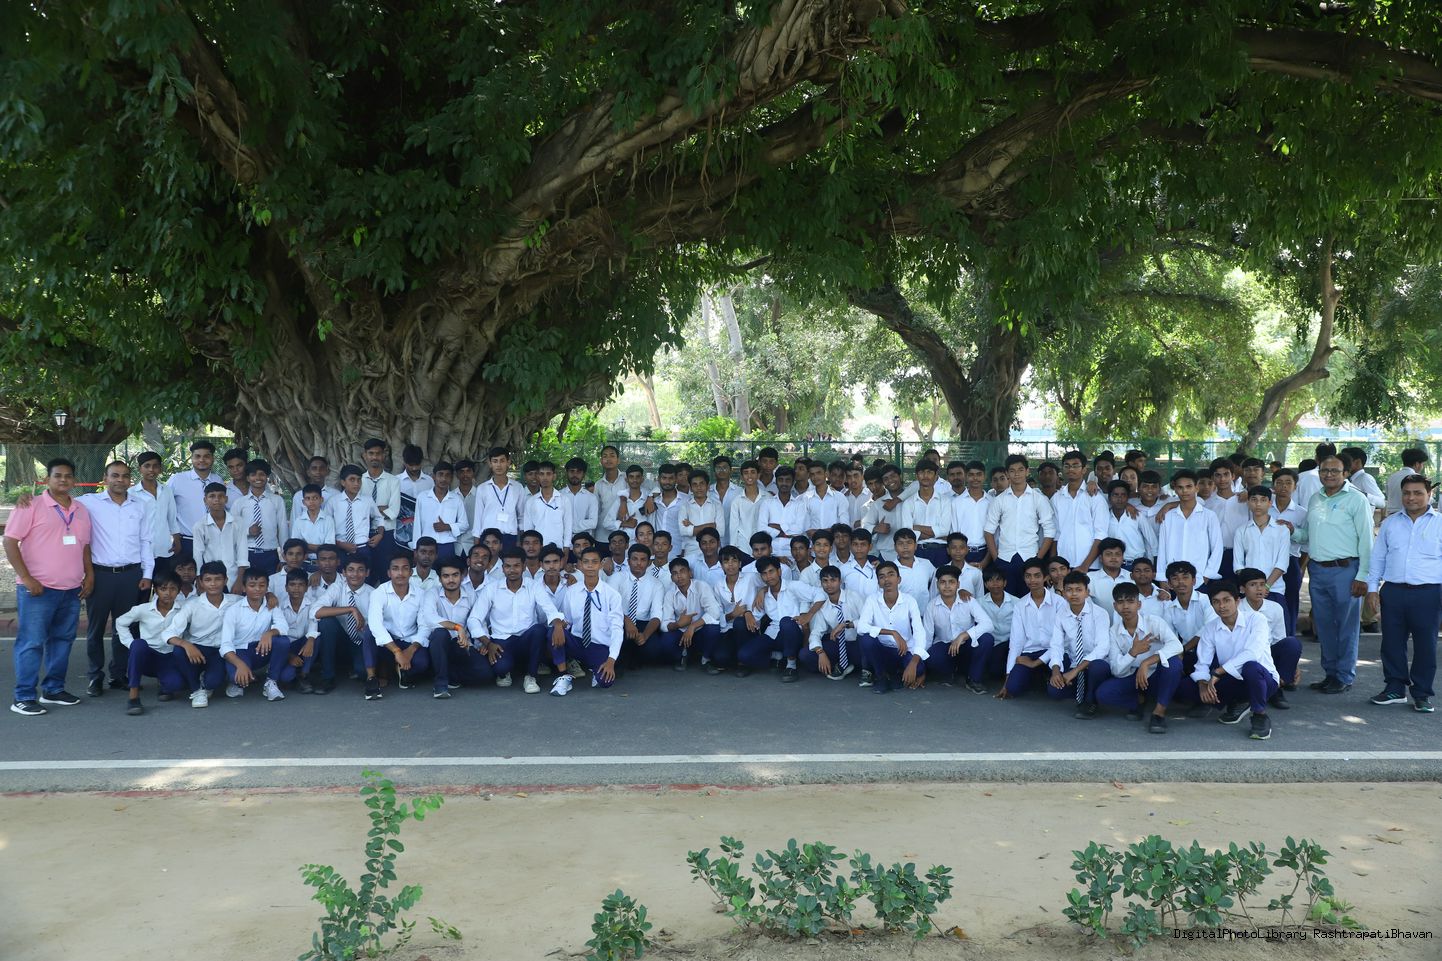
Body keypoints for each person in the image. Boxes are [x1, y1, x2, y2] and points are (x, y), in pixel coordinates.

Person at [6, 458, 94, 716]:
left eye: (68, 476)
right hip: (38, 590)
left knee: (63, 640)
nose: (63, 480)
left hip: (71, 589)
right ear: (47, 479)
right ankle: (23, 696)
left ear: (74, 480)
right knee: (31, 642)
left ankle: (54, 689)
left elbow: (84, 547)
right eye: (58, 475)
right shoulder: (30, 505)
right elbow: (10, 542)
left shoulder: (81, 509)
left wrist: (89, 575)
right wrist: (26, 578)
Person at [1294, 455, 1373, 694]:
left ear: (1346, 473)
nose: (1328, 474)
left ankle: (1344, 676)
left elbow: (1367, 540)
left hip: (1346, 571)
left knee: (1346, 627)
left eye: (1334, 470)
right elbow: (1307, 535)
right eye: (1324, 470)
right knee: (1324, 626)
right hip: (1318, 571)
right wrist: (1289, 530)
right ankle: (1330, 673)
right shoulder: (1315, 498)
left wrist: (1363, 576)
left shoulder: (1357, 499)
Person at [75, 460, 154, 696]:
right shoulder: (89, 502)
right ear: (105, 478)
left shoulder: (140, 505)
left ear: (130, 479)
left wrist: (147, 574)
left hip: (131, 575)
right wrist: (28, 500)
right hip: (100, 576)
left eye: (125, 476)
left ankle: (119, 675)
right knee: (96, 629)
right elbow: (59, 501)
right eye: (115, 475)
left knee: (124, 627)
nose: (120, 480)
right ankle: (95, 677)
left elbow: (146, 541)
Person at [1365, 474, 1439, 713]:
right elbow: (1378, 558)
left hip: (1429, 593)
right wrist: (1372, 589)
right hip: (1394, 591)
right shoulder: (1390, 523)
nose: (1411, 498)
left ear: (1429, 494)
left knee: (1426, 645)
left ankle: (1422, 693)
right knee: (1391, 643)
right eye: (1407, 493)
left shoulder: (1439, 523)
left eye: (1418, 493)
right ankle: (1395, 688)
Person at [1085, 583, 1184, 733]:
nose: (1125, 607)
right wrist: (1133, 652)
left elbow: (1177, 646)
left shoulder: (1153, 622)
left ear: (1139, 604)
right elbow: (1116, 670)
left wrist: (1146, 662)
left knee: (1174, 663)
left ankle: (1159, 713)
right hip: (1133, 677)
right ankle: (1138, 700)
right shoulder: (1113, 631)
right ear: (1115, 606)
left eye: (1130, 601)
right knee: (1103, 694)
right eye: (1120, 602)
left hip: (1155, 674)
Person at [1191, 580, 1280, 740]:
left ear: (1237, 601)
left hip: (1264, 680)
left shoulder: (1257, 619)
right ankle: (1240, 701)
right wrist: (1202, 684)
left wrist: (1218, 672)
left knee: (1251, 667)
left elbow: (1252, 653)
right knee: (1187, 690)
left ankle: (1260, 715)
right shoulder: (1210, 628)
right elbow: (1202, 662)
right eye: (1216, 602)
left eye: (1227, 600)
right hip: (1233, 679)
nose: (1222, 606)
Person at [365, 554, 445, 699]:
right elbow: (375, 624)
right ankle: (371, 679)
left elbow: (425, 625)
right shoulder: (379, 593)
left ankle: (398, 669)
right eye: (395, 569)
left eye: (405, 568)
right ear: (389, 573)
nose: (400, 573)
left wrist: (411, 650)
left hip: (409, 640)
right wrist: (396, 651)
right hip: (387, 643)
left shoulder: (421, 594)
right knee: (369, 631)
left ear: (411, 572)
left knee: (421, 664)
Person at [548, 547, 622, 695]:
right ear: (580, 565)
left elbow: (617, 629)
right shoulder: (572, 591)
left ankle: (595, 670)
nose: (590, 566)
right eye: (586, 562)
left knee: (605, 682)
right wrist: (558, 624)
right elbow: (568, 621)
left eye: (594, 562)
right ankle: (564, 676)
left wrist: (611, 660)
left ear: (600, 564)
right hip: (577, 642)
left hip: (599, 646)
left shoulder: (612, 595)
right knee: (553, 631)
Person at [115, 571, 190, 715]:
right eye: (163, 589)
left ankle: (164, 685)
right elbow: (120, 622)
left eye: (173, 589)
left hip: (170, 657)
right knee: (138, 645)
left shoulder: (184, 610)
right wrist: (130, 644)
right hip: (147, 657)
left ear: (179, 591)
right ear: (155, 590)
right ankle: (133, 696)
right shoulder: (143, 609)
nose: (168, 593)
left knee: (176, 685)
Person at [164, 561, 236, 708]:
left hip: (220, 650)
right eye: (208, 580)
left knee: (213, 682)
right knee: (179, 650)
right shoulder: (192, 605)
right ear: (201, 582)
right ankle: (196, 689)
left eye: (218, 579)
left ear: (226, 580)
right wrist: (187, 645)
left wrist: (269, 594)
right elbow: (168, 633)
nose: (213, 584)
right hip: (197, 649)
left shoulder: (235, 601)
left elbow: (258, 599)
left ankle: (206, 681)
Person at [984, 455, 1056, 596]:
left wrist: (1038, 558)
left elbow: (1050, 531)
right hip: (1004, 558)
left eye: (1020, 470)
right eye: (1012, 470)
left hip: (1031, 557)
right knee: (1007, 601)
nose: (1016, 474)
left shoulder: (1039, 499)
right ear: (1007, 473)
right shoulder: (999, 500)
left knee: (1030, 599)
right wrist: (996, 558)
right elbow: (988, 531)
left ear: (1027, 471)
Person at [998, 558, 1067, 699]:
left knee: (1056, 692)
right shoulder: (1020, 605)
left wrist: (1036, 662)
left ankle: (1040, 672)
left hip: (1054, 652)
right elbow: (1016, 642)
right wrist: (1007, 679)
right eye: (1028, 576)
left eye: (1037, 575)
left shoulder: (1059, 602)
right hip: (1030, 653)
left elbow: (1062, 641)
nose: (1032, 580)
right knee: (1012, 688)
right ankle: (1037, 674)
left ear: (1045, 577)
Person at [219, 570, 292, 702]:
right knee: (236, 677)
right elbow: (225, 645)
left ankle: (271, 681)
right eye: (252, 585)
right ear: (244, 588)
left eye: (262, 585)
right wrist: (240, 665)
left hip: (261, 649)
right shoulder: (233, 610)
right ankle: (236, 682)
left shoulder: (271, 605)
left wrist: (269, 633)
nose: (257, 589)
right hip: (241, 651)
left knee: (283, 641)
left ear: (267, 588)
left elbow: (283, 626)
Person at [1045, 572, 1111, 716]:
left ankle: (1090, 701)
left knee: (1097, 667)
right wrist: (1056, 671)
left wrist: (1075, 671)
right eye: (1069, 590)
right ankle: (1085, 690)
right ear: (1063, 593)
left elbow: (1103, 648)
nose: (1074, 594)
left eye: (1079, 590)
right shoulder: (1061, 614)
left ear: (1087, 592)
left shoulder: (1100, 613)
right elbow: (1056, 645)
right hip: (1075, 663)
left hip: (1096, 665)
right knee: (1054, 690)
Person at [856, 561, 928, 693]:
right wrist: (892, 632)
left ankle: (896, 675)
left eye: (891, 575)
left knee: (918, 668)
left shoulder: (909, 601)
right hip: (881, 650)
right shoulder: (872, 600)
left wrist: (914, 662)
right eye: (882, 576)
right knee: (865, 639)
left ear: (899, 579)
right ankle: (881, 677)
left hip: (902, 651)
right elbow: (861, 627)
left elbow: (919, 631)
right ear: (878, 582)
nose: (887, 579)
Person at [751, 556, 823, 682]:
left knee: (786, 622)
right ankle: (778, 656)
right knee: (745, 655)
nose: (768, 576)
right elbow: (755, 617)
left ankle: (791, 665)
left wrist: (808, 615)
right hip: (774, 634)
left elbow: (820, 594)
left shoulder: (793, 586)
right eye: (764, 574)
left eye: (771, 571)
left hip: (794, 633)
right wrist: (747, 613)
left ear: (779, 571)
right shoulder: (764, 594)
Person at [1236, 567, 1301, 707]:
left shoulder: (1275, 607)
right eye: (1253, 585)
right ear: (1242, 589)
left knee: (1292, 643)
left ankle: (1276, 688)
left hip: (1268, 652)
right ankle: (1251, 693)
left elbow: (1280, 639)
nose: (1259, 589)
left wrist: (1292, 664)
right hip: (1245, 653)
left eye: (1262, 584)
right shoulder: (1237, 609)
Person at [310, 555, 374, 693]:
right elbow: (315, 611)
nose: (355, 574)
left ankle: (353, 667)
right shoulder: (337, 587)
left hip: (361, 642)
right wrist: (351, 609)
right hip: (340, 640)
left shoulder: (373, 594)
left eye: (360, 570)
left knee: (363, 672)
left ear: (367, 573)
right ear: (344, 573)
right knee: (326, 622)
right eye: (351, 570)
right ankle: (328, 677)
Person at [926, 565, 994, 693]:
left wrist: (963, 635)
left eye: (951, 582)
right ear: (937, 584)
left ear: (958, 584)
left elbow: (988, 624)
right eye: (943, 582)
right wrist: (920, 665)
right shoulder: (932, 606)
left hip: (967, 646)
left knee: (987, 639)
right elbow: (927, 637)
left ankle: (974, 679)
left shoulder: (968, 600)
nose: (947, 586)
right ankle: (950, 672)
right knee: (931, 656)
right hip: (946, 647)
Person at [1154, 470, 1222, 588]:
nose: (1184, 491)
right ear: (1175, 489)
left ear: (1196, 488)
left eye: (1189, 486)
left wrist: (1207, 574)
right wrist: (1162, 577)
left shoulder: (1209, 516)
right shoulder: (1168, 517)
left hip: (1199, 578)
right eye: (1180, 487)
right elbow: (1162, 548)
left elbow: (1217, 547)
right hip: (1173, 579)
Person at [654, 557, 722, 671]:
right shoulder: (670, 594)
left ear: (690, 573)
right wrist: (678, 624)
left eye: (682, 571)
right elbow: (664, 624)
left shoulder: (701, 586)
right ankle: (683, 655)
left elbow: (714, 612)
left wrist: (692, 626)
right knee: (666, 641)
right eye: (675, 573)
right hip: (680, 632)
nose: (679, 576)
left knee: (713, 628)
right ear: (671, 578)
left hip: (699, 630)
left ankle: (705, 659)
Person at [1052, 451, 1107, 572]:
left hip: (1090, 566)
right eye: (1067, 466)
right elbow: (1056, 534)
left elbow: (1100, 535)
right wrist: (1053, 564)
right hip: (1063, 565)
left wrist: (1085, 566)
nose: (1071, 469)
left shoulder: (1095, 497)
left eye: (1075, 465)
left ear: (1084, 469)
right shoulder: (1057, 498)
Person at [1269, 468, 1309, 636]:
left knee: (1290, 602)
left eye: (1288, 483)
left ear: (1295, 486)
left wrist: (1293, 531)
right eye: (1279, 483)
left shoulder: (1301, 513)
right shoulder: (1265, 507)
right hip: (1267, 560)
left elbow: (1306, 539)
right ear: (1273, 486)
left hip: (1290, 561)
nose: (1283, 487)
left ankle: (1289, 638)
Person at [328, 465, 386, 577]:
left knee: (363, 579)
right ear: (343, 482)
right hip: (340, 549)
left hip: (362, 549)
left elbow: (379, 518)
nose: (356, 484)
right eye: (352, 480)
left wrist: (380, 534)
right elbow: (326, 527)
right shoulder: (333, 502)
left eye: (359, 480)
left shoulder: (367, 501)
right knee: (341, 579)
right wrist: (340, 544)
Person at [234, 459, 288, 579]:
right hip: (247, 553)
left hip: (270, 553)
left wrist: (284, 558)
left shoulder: (277, 501)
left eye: (262, 474)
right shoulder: (239, 503)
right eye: (253, 475)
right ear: (247, 478)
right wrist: (248, 532)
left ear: (267, 476)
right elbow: (232, 530)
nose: (258, 478)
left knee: (271, 585)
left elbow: (283, 529)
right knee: (249, 585)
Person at [804, 565, 860, 679]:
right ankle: (841, 665)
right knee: (805, 655)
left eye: (833, 580)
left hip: (858, 643)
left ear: (840, 581)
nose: (829, 584)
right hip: (840, 644)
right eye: (825, 581)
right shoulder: (824, 607)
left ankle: (851, 666)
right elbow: (816, 633)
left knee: (869, 645)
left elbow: (867, 621)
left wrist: (845, 625)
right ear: (821, 583)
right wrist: (820, 652)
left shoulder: (853, 596)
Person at [132, 450, 181, 581]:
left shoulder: (167, 491)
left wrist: (177, 539)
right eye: (147, 466)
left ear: (160, 469)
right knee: (142, 588)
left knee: (163, 585)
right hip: (140, 550)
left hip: (164, 548)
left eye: (155, 466)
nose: (151, 469)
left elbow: (172, 517)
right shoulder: (131, 493)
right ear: (139, 469)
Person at [1233, 486, 1289, 596]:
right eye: (1254, 500)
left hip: (1275, 588)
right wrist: (1252, 586)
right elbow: (1238, 564)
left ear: (1270, 503)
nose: (1258, 504)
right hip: (1249, 590)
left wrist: (1266, 586)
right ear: (1248, 502)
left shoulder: (1282, 530)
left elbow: (1282, 563)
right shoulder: (1241, 531)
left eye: (1263, 500)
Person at [192, 482, 247, 593]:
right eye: (212, 496)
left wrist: (240, 580)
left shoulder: (238, 522)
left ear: (226, 499)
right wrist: (199, 581)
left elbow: (242, 551)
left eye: (220, 496)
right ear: (205, 500)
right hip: (211, 579)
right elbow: (197, 555)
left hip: (233, 577)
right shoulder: (200, 525)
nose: (216, 500)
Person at [168, 440, 218, 558]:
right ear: (192, 458)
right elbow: (166, 507)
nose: (202, 460)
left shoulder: (218, 480)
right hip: (187, 541)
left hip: (214, 542)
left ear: (213, 458)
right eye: (197, 456)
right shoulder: (177, 479)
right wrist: (174, 536)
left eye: (206, 456)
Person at [361, 438, 402, 576]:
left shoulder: (393, 481)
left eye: (378, 453)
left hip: (387, 536)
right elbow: (357, 511)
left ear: (383, 455)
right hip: (363, 534)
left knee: (387, 576)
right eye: (371, 453)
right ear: (365, 455)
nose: (374, 457)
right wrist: (381, 509)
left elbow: (394, 511)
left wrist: (369, 511)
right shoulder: (358, 481)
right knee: (365, 576)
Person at [472, 447, 527, 550]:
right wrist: (476, 545)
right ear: (490, 463)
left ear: (508, 462)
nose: (498, 465)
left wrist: (520, 541)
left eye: (502, 461)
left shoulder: (517, 487)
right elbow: (478, 518)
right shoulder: (482, 488)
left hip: (510, 537)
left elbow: (522, 516)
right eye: (495, 461)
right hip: (488, 538)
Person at [901, 460, 951, 566]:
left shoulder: (945, 501)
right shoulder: (908, 503)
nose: (925, 476)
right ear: (916, 476)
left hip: (941, 552)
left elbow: (945, 530)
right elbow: (908, 533)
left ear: (936, 476)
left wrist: (917, 527)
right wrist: (937, 534)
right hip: (918, 551)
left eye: (929, 472)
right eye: (922, 472)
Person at [413, 460, 465, 559]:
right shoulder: (422, 497)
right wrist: (415, 548)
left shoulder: (456, 499)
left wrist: (447, 527)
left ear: (451, 478)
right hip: (426, 546)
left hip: (447, 546)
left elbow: (464, 524)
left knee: (447, 569)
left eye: (447, 475)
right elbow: (417, 526)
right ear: (433, 476)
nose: (444, 479)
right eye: (440, 474)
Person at [394, 444, 433, 561]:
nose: (414, 468)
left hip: (425, 529)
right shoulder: (396, 481)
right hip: (402, 532)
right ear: (404, 462)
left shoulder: (429, 482)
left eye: (417, 464)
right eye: (411, 465)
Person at [1104, 480, 1155, 567]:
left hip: (1135, 566)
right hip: (1112, 566)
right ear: (1109, 498)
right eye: (1115, 495)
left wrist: (1152, 564)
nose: (1119, 499)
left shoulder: (1136, 516)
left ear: (1128, 498)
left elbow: (1152, 540)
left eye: (1123, 495)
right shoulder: (1105, 517)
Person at [727, 459, 773, 550]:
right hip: (743, 546)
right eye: (746, 473)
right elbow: (733, 527)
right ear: (741, 477)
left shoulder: (768, 498)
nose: (749, 476)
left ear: (758, 475)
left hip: (764, 546)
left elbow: (772, 523)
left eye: (753, 472)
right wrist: (733, 548)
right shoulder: (736, 501)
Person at [678, 470, 721, 560]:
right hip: (691, 552)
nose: (699, 487)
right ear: (690, 488)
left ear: (708, 486)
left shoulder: (717, 505)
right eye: (695, 484)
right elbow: (683, 531)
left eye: (702, 483)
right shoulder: (685, 506)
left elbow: (721, 531)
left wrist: (693, 527)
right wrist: (710, 526)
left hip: (713, 552)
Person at [292, 484, 337, 568]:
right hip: (303, 563)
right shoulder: (298, 521)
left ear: (321, 500)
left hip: (323, 563)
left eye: (315, 498)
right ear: (303, 502)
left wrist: (306, 546)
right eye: (308, 498)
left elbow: (329, 548)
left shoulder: (328, 520)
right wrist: (319, 547)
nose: (311, 501)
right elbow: (296, 546)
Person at [1086, 538, 1132, 617]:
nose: (1113, 557)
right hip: (1099, 623)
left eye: (1117, 554)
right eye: (1108, 554)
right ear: (1100, 558)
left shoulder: (1132, 577)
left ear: (1122, 558)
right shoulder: (1090, 579)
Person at [562, 457, 600, 545]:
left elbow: (593, 523)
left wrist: (568, 526)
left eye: (578, 472)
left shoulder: (591, 498)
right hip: (563, 543)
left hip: (584, 544)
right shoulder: (559, 496)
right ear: (566, 473)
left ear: (584, 474)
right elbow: (555, 521)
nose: (575, 475)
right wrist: (583, 523)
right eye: (572, 471)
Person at [593, 445, 626, 541]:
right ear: (601, 461)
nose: (608, 459)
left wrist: (650, 496)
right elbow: (597, 510)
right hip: (602, 536)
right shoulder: (598, 485)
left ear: (618, 460)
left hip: (624, 533)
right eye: (605, 456)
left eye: (612, 456)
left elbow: (649, 487)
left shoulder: (627, 479)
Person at [1384, 448, 1429, 515]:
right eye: (1422, 464)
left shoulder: (1392, 477)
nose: (1422, 467)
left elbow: (1388, 495)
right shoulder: (1417, 478)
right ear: (1417, 464)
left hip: (1391, 515)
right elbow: (1424, 501)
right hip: (1408, 515)